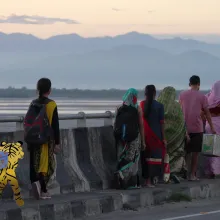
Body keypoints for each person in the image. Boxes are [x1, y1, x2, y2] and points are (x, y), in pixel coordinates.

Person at [28, 78, 60, 199]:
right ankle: (43, 190)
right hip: (45, 140)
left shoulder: (33, 103)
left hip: (33, 138)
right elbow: (55, 125)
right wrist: (57, 143)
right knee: (45, 165)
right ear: (49, 90)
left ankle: (35, 186)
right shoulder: (51, 105)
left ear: (38, 90)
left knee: (34, 163)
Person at [179, 75, 216, 181]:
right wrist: (212, 127)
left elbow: (180, 110)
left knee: (186, 152)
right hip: (197, 128)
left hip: (184, 128)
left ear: (189, 84)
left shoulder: (182, 94)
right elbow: (207, 114)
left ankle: (184, 173)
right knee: (196, 153)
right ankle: (192, 175)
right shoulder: (203, 97)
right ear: (199, 84)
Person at [114, 88, 145, 189]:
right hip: (134, 138)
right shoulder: (138, 108)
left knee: (122, 157)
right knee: (134, 159)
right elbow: (141, 126)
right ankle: (132, 183)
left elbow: (115, 124)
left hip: (120, 138)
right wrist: (143, 141)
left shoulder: (119, 108)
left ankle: (121, 180)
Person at [140, 85, 166, 187]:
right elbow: (162, 123)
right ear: (155, 93)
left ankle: (147, 181)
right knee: (154, 158)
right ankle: (152, 180)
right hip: (156, 135)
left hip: (145, 135)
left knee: (145, 157)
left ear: (145, 93)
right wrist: (164, 138)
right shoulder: (159, 106)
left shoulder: (142, 104)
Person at [157, 86, 186, 175]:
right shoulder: (176, 106)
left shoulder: (158, 105)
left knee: (163, 154)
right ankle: (173, 172)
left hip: (162, 135)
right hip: (176, 136)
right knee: (174, 154)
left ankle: (162, 173)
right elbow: (181, 122)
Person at [204, 80, 220, 178]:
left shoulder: (208, 98)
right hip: (216, 124)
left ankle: (211, 170)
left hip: (209, 125)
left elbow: (202, 112)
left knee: (209, 148)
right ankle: (216, 170)